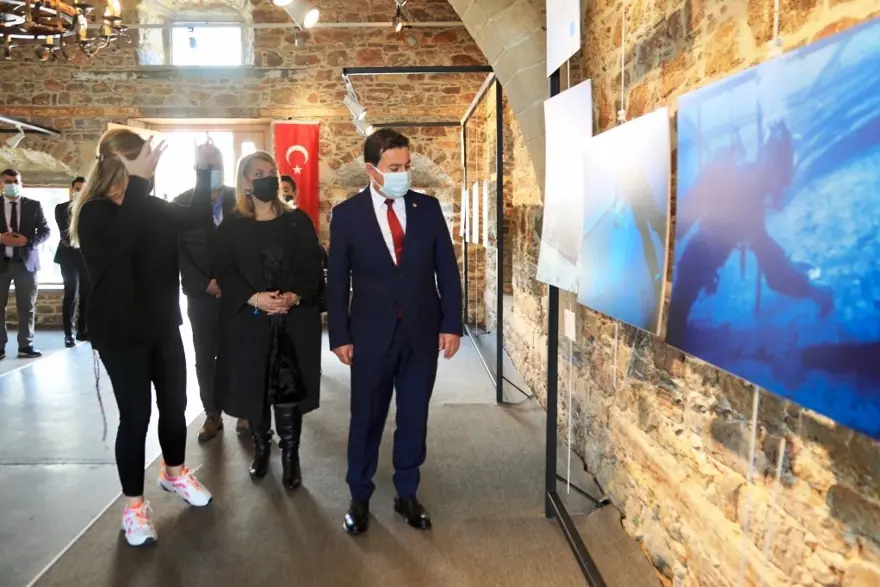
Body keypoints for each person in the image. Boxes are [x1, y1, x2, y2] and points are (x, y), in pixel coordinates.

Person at [69, 129, 214, 547]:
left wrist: (203, 170)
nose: (148, 168)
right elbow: (119, 241)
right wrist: (139, 184)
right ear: (119, 164)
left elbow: (197, 216)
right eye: (139, 162)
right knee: (136, 418)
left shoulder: (147, 204)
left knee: (175, 405)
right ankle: (133, 507)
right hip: (120, 332)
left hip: (161, 324)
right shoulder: (95, 212)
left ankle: (175, 473)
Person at [326, 128, 462, 535]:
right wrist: (339, 335)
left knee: (414, 415)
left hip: (421, 331)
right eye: (394, 168)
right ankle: (359, 495)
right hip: (370, 335)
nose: (403, 174)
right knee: (366, 418)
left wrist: (451, 323)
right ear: (372, 170)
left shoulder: (428, 209)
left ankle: (407, 493)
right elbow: (338, 281)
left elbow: (447, 271)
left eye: (407, 166)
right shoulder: (347, 216)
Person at [214, 151, 324, 490]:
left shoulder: (297, 220)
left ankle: (291, 455)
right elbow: (224, 271)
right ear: (245, 182)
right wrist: (254, 297)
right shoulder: (232, 225)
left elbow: (313, 266)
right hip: (250, 320)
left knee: (289, 387)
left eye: (272, 171)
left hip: (292, 320)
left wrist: (295, 295)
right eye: (259, 173)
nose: (268, 178)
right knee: (255, 385)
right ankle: (261, 448)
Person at [173, 144, 246, 442]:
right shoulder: (182, 203)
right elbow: (178, 253)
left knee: (240, 353)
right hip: (201, 295)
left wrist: (234, 283)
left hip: (238, 294)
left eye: (216, 165)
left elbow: (250, 247)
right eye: (206, 167)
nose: (212, 171)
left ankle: (244, 411)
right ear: (195, 169)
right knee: (205, 356)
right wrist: (204, 283)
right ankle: (212, 413)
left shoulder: (241, 200)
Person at [0, 168, 50, 359]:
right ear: (1, 184)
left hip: (26, 264)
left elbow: (45, 231)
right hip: (1, 263)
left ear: (21, 184)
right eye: (8, 181)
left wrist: (28, 241)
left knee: (27, 307)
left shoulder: (34, 205)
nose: (12, 185)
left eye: (16, 181)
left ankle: (26, 345)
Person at [54, 176, 89, 347]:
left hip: (87, 257)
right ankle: (69, 333)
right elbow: (66, 232)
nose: (80, 192)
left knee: (87, 294)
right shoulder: (61, 208)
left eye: (83, 189)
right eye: (77, 189)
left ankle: (83, 330)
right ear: (72, 189)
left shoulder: (92, 209)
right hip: (68, 256)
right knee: (71, 293)